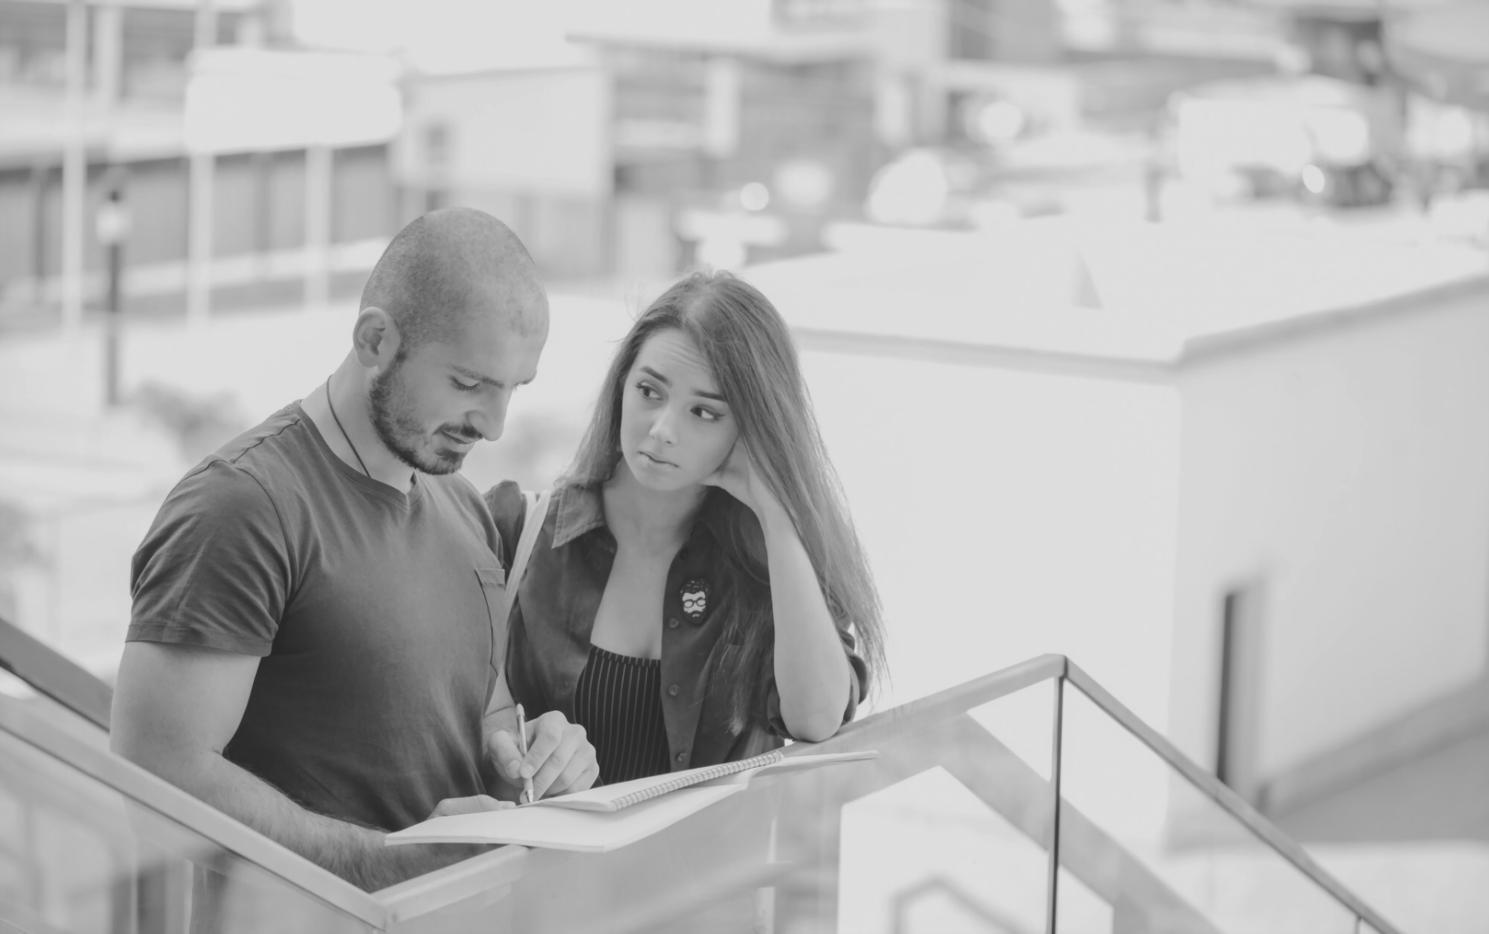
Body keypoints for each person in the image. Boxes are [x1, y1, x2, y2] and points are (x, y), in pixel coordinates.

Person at [110, 208, 598, 890]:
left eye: (513, 389)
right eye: (467, 385)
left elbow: (478, 713)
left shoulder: (459, 505)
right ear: (375, 339)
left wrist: (529, 758)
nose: (492, 425)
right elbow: (156, 776)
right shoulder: (242, 507)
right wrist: (384, 861)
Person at [486, 271, 886, 785]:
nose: (662, 430)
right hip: (541, 865)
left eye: (704, 412)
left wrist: (777, 514)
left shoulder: (771, 573)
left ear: (751, 428)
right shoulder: (518, 530)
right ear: (622, 384)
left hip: (709, 867)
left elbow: (815, 718)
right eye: (650, 391)